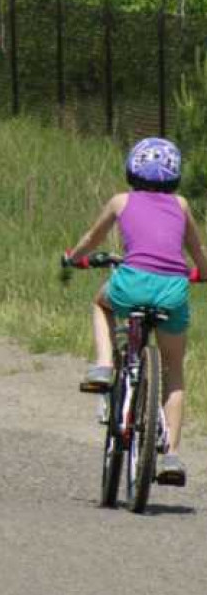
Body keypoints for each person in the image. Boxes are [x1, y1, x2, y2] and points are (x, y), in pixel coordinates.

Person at [65, 137, 207, 486]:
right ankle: (171, 454)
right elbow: (197, 250)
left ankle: (103, 365)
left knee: (100, 304)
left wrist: (72, 257)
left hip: (130, 284)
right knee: (173, 372)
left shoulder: (120, 201)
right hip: (173, 291)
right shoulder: (182, 204)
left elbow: (91, 239)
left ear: (132, 168)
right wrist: (202, 271)